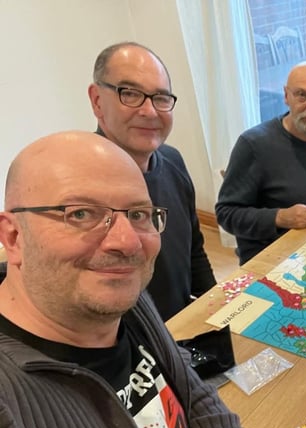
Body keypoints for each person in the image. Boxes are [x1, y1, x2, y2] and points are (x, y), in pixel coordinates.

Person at [0, 131, 283, 428]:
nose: (127, 242)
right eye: (81, 213)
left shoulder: (124, 303)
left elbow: (192, 392)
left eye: (138, 214)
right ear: (14, 236)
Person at [88, 42, 234, 377]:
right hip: (125, 364)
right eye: (130, 93)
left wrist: (216, 316)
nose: (149, 111)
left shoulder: (173, 161)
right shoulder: (78, 188)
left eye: (161, 97)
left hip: (181, 339)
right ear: (97, 100)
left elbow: (193, 251)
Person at [216, 60, 306, 265]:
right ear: (286, 96)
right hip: (272, 260)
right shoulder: (253, 145)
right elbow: (226, 214)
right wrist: (279, 217)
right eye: (302, 95)